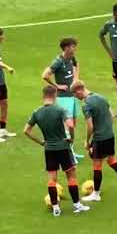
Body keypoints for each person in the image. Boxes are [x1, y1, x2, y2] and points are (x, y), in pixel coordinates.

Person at [24, 85, 90, 217]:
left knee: (52, 178)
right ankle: (77, 204)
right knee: (71, 175)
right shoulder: (60, 110)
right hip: (63, 147)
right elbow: (71, 125)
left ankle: (55, 208)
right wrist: (71, 138)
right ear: (54, 95)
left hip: (49, 149)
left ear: (43, 96)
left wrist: (41, 142)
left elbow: (26, 131)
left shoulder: (37, 112)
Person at [71, 80, 117, 201]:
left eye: (75, 94)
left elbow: (90, 127)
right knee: (112, 160)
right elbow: (111, 116)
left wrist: (87, 141)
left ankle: (96, 194)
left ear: (79, 90)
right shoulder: (101, 97)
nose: (75, 96)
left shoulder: (86, 105)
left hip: (99, 138)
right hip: (110, 135)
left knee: (97, 165)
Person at [41, 37, 84, 161]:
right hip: (64, 98)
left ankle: (71, 151)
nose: (74, 48)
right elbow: (45, 75)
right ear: (66, 48)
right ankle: (68, 155)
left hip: (72, 96)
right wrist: (57, 86)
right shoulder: (58, 61)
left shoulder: (71, 57)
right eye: (72, 46)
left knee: (73, 125)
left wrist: (76, 78)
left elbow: (76, 65)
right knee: (67, 127)